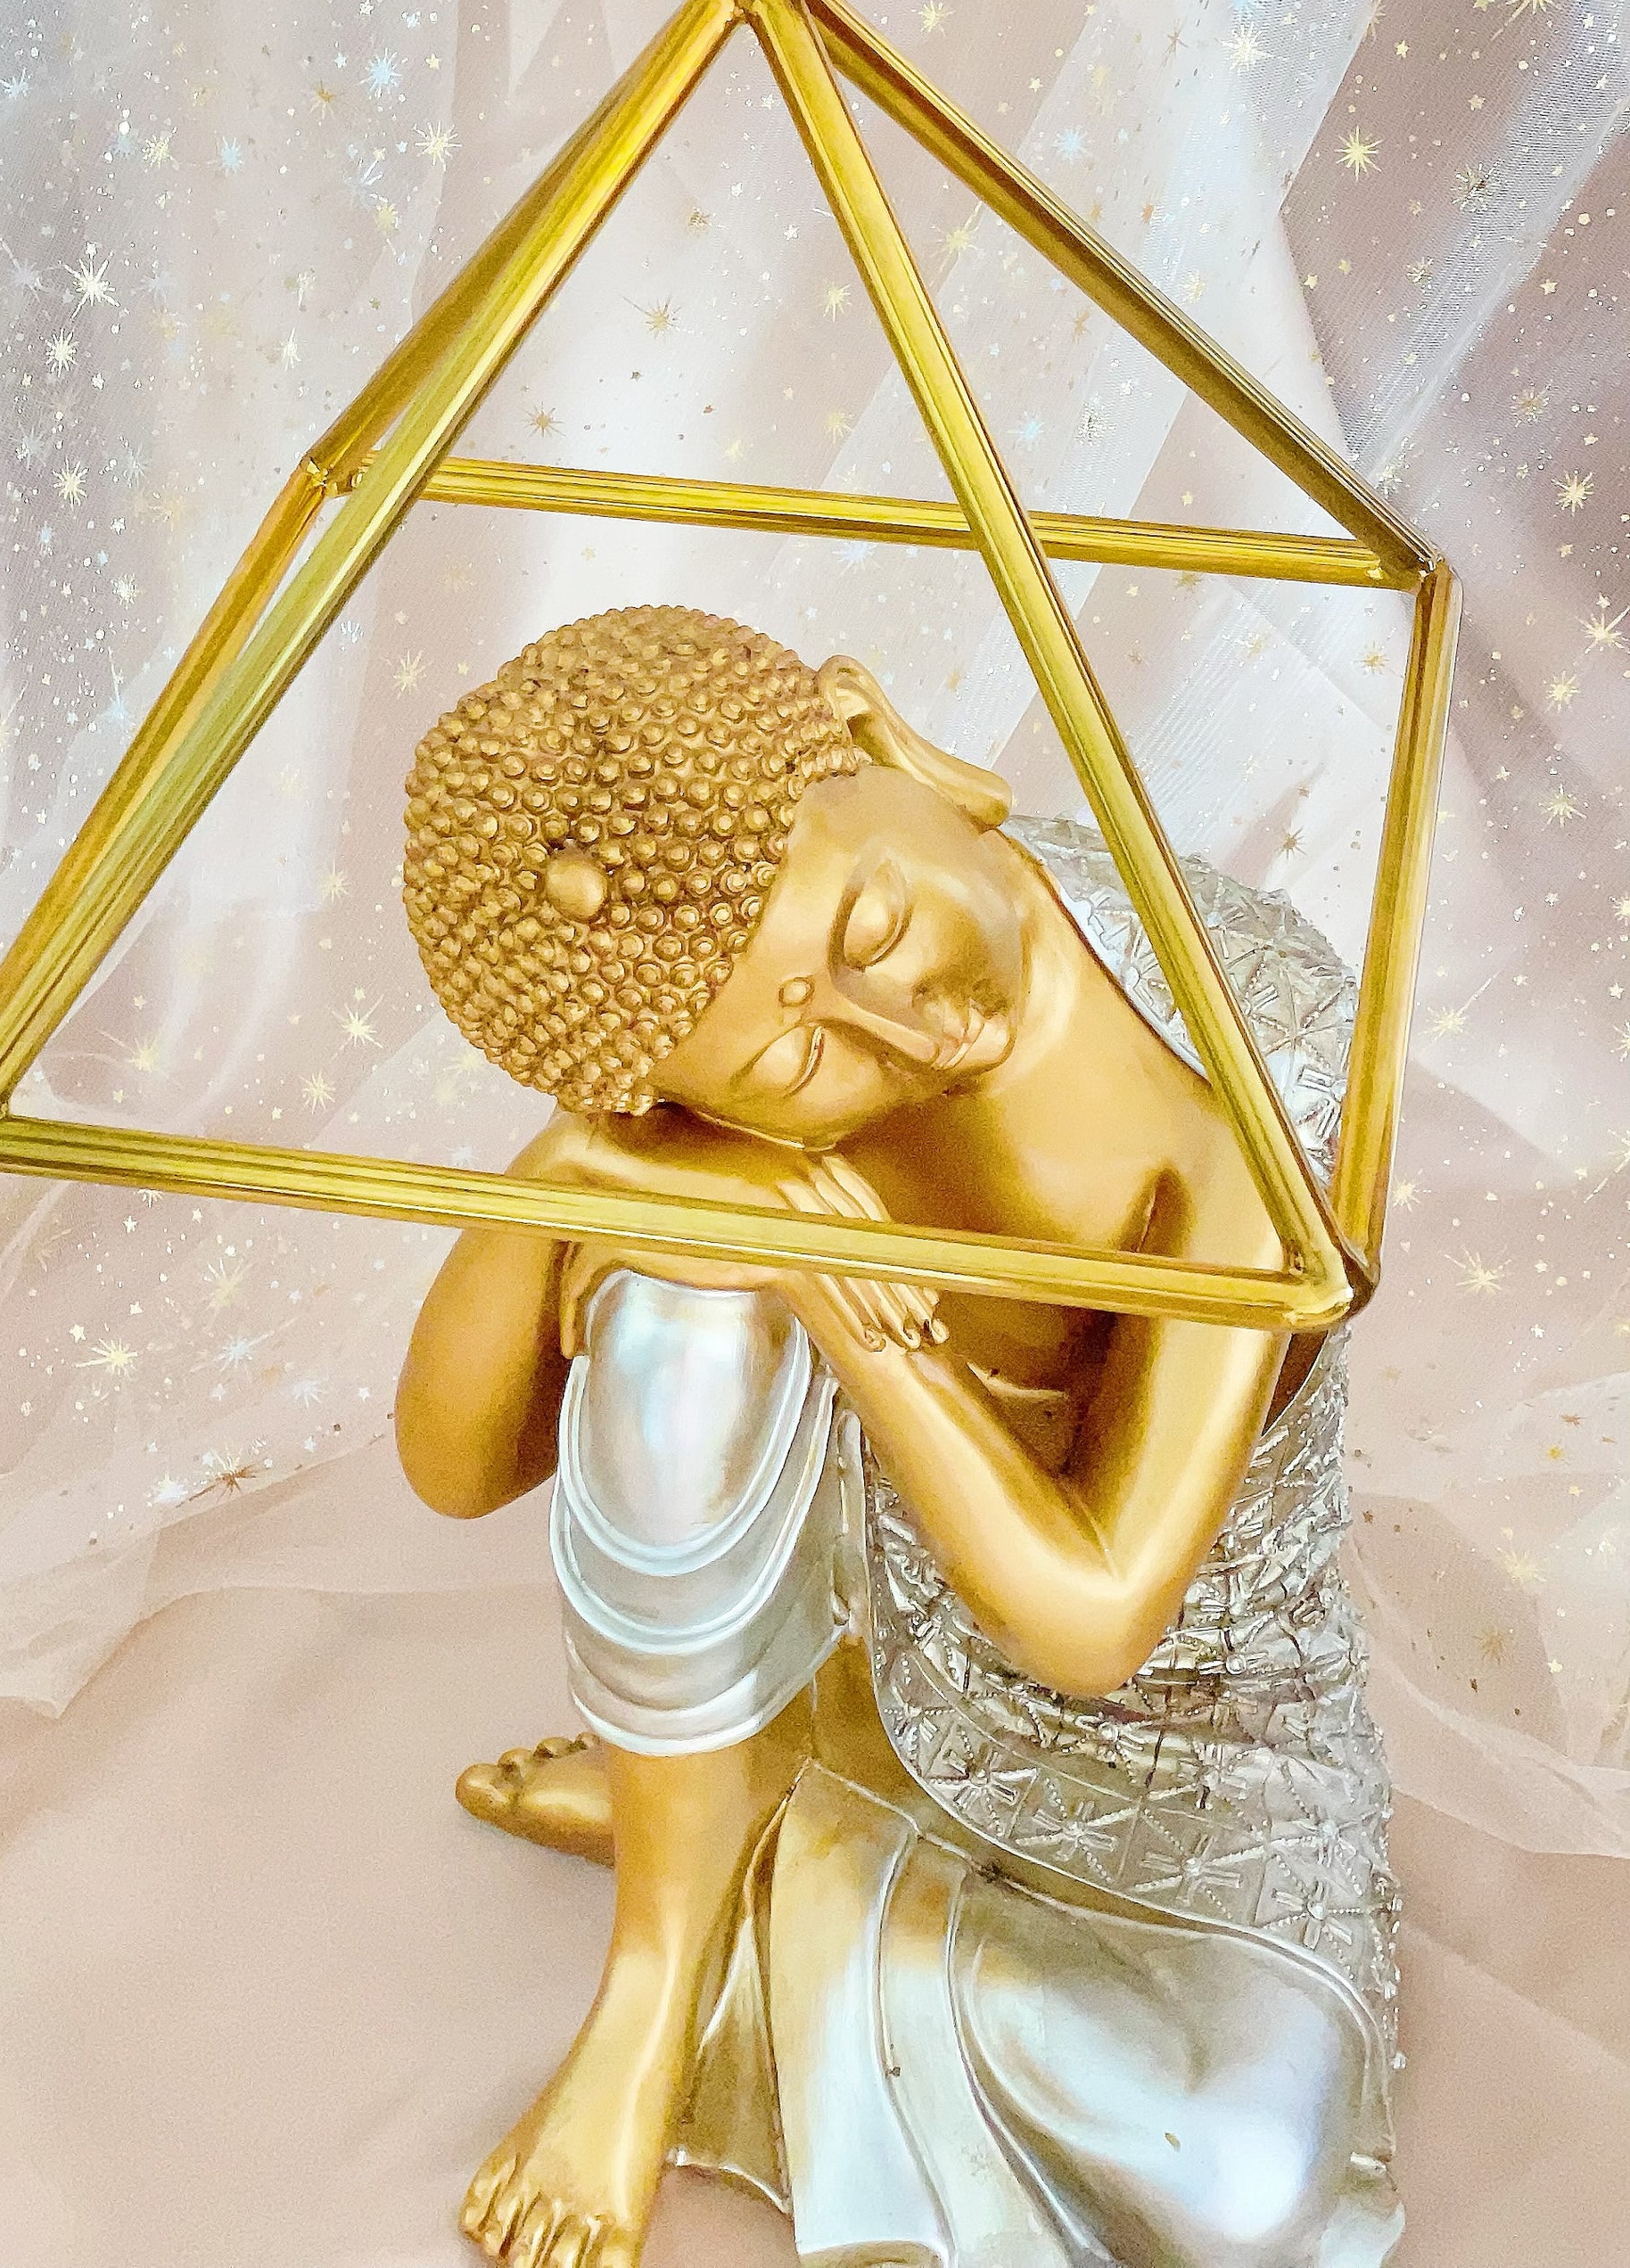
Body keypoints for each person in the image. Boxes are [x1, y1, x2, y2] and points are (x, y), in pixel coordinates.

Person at [397, 606, 1400, 2268]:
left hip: (1179, 1728)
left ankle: (754, 1826)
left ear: (878, 738)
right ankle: (657, 1976)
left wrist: (833, 1273)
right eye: (800, 1055)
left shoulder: (1237, 1046)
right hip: (871, 1606)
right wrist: (565, 1172)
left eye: (874, 923)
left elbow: (1093, 1623)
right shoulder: (707, 1103)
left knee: (1234, 2179)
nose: (912, 1033)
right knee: (676, 1305)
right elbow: (455, 1469)